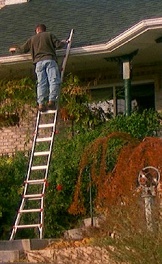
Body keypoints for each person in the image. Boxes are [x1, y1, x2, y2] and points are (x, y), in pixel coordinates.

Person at [9, 24, 67, 112]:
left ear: (37, 30)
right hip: (49, 60)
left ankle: (41, 104)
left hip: (38, 63)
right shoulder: (49, 35)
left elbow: (23, 49)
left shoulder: (32, 39)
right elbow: (58, 45)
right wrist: (65, 42)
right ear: (44, 30)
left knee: (41, 83)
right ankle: (51, 101)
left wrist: (15, 49)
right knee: (53, 80)